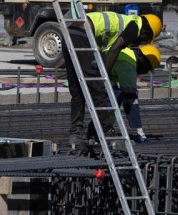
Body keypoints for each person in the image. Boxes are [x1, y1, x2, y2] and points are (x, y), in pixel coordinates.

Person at [65, 11, 161, 154]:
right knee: (97, 87)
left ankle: (76, 133)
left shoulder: (128, 23)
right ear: (146, 30)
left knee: (78, 90)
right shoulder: (134, 27)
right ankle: (105, 131)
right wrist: (103, 76)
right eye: (145, 39)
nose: (141, 43)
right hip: (82, 34)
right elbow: (115, 49)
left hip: (69, 33)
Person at [110, 44, 162, 144]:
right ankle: (103, 129)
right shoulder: (128, 64)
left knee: (114, 96)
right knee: (118, 98)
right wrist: (140, 132)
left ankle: (101, 129)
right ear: (144, 60)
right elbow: (131, 101)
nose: (145, 72)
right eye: (147, 68)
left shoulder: (126, 52)